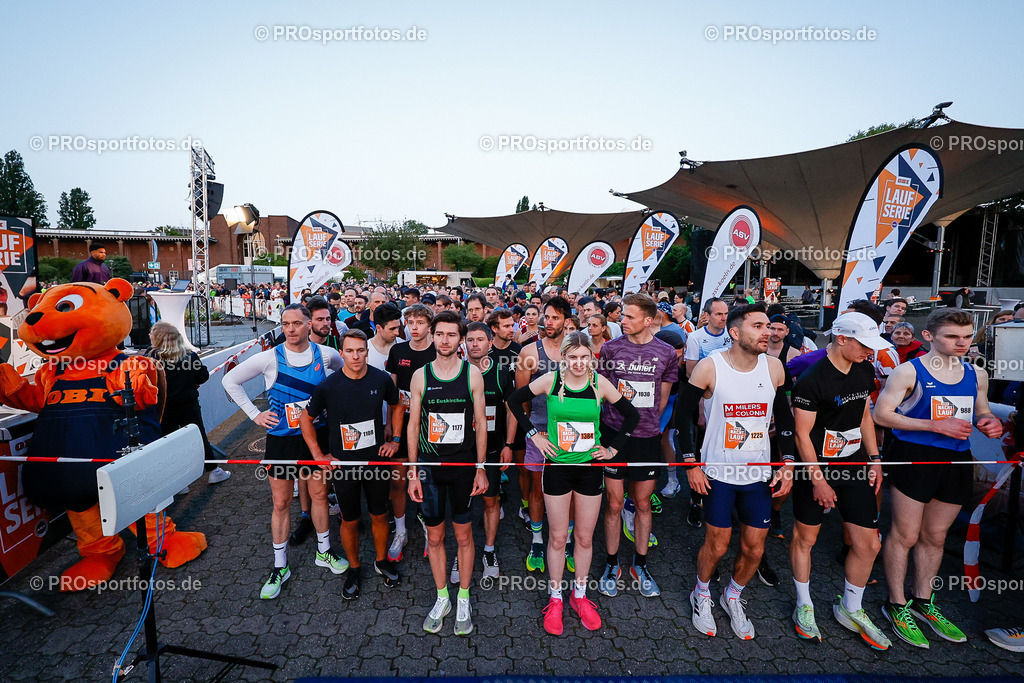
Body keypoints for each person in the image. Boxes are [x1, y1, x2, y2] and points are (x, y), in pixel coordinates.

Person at [873, 308, 1003, 648]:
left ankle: (923, 600)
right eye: (952, 336)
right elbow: (882, 415)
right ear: (929, 336)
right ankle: (896, 604)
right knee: (905, 534)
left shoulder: (976, 373)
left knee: (936, 535)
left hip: (956, 459)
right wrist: (934, 425)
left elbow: (981, 409)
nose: (961, 343)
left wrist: (988, 422)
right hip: (915, 457)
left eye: (966, 336)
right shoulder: (907, 371)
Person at [673, 303, 796, 640]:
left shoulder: (774, 367)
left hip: (758, 474)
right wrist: (690, 463)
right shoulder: (710, 368)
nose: (767, 332)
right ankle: (701, 594)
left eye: (769, 326)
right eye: (758, 326)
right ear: (735, 332)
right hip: (717, 472)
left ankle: (733, 596)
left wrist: (788, 463)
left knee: (755, 547)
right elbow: (682, 416)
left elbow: (785, 419)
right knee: (718, 543)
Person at [507, 331, 639, 634]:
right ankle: (555, 598)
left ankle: (579, 595)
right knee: (556, 538)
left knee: (583, 538)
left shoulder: (599, 384)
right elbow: (514, 401)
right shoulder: (551, 381)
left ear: (591, 357)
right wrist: (533, 434)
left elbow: (631, 416)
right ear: (563, 357)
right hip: (556, 468)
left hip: (590, 470)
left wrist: (612, 449)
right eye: (573, 357)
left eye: (584, 357)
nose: (579, 363)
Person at [222, 304, 346, 599]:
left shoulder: (326, 354)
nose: (291, 329)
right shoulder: (269, 357)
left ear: (309, 325)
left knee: (318, 496)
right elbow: (230, 380)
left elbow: (340, 376)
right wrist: (255, 414)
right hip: (282, 439)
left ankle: (324, 551)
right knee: (280, 503)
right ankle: (280, 566)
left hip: (316, 438)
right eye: (285, 324)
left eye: (297, 323)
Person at [789, 312, 891, 649]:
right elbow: (802, 436)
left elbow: (864, 414)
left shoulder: (863, 368)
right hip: (817, 467)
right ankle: (804, 603)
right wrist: (818, 480)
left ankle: (851, 607)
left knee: (870, 544)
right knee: (807, 538)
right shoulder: (811, 378)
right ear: (842, 339)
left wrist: (874, 459)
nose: (869, 352)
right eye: (863, 344)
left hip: (854, 465)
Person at [299, 330, 403, 599]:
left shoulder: (380, 379)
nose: (356, 356)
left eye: (360, 350)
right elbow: (305, 419)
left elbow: (398, 405)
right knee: (350, 519)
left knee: (380, 515)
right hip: (345, 466)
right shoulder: (329, 386)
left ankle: (381, 561)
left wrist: (395, 440)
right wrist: (318, 455)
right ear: (341, 353)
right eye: (350, 351)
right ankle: (355, 567)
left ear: (367, 352)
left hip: (376, 462)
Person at [407, 311, 489, 635]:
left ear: (460, 339)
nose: (444, 340)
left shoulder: (472, 376)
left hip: (462, 466)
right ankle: (443, 597)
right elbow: (413, 425)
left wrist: (481, 469)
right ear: (432, 335)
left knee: (465, 536)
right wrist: (413, 472)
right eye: (439, 334)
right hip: (429, 468)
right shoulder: (420, 376)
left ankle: (464, 596)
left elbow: (481, 423)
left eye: (451, 335)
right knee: (436, 536)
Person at [597, 293, 678, 599]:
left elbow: (661, 399)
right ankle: (611, 563)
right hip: (614, 436)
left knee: (643, 504)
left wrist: (648, 426)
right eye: (623, 315)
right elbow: (600, 392)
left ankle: (640, 564)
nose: (622, 320)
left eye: (629, 316)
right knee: (614, 504)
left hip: (645, 438)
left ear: (648, 320)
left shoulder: (666, 352)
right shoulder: (610, 348)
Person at [515, 297, 572, 572]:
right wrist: (532, 430)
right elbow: (520, 398)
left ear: (567, 321)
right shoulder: (529, 352)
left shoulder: (577, 350)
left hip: (572, 435)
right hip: (539, 433)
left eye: (555, 318)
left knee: (570, 491)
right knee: (537, 490)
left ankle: (568, 539)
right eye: (546, 317)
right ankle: (537, 539)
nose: (548, 322)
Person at [385, 304, 436, 562]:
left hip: (430, 427)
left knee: (427, 480)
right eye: (410, 322)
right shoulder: (397, 350)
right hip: (401, 424)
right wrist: (389, 425)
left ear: (430, 326)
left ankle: (430, 529)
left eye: (420, 322)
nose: (414, 327)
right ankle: (401, 531)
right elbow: (392, 393)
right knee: (398, 479)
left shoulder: (439, 351)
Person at [464, 322, 516, 581]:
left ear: (490, 343)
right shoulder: (454, 371)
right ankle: (462, 551)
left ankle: (488, 549)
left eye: (480, 339)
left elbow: (512, 410)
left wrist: (508, 444)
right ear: (464, 343)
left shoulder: (501, 372)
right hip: (460, 453)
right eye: (470, 339)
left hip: (493, 450)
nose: (475, 344)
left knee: (491, 500)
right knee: (461, 505)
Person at [147, 322, 228, 485]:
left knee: (169, 442)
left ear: (158, 338)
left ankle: (179, 482)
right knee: (198, 437)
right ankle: (213, 471)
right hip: (188, 404)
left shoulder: (151, 357)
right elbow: (202, 377)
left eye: (152, 333)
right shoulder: (189, 356)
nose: (149, 336)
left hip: (164, 407)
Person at [682, 297, 732, 528]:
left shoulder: (732, 335)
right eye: (718, 314)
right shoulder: (695, 338)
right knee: (701, 449)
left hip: (729, 402)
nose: (723, 318)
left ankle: (725, 499)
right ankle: (696, 502)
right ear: (707, 315)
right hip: (704, 400)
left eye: (726, 314)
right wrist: (702, 409)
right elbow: (692, 376)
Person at [367, 303, 402, 371]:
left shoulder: (403, 345)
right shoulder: (365, 349)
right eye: (392, 329)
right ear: (378, 328)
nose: (397, 333)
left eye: (398, 328)